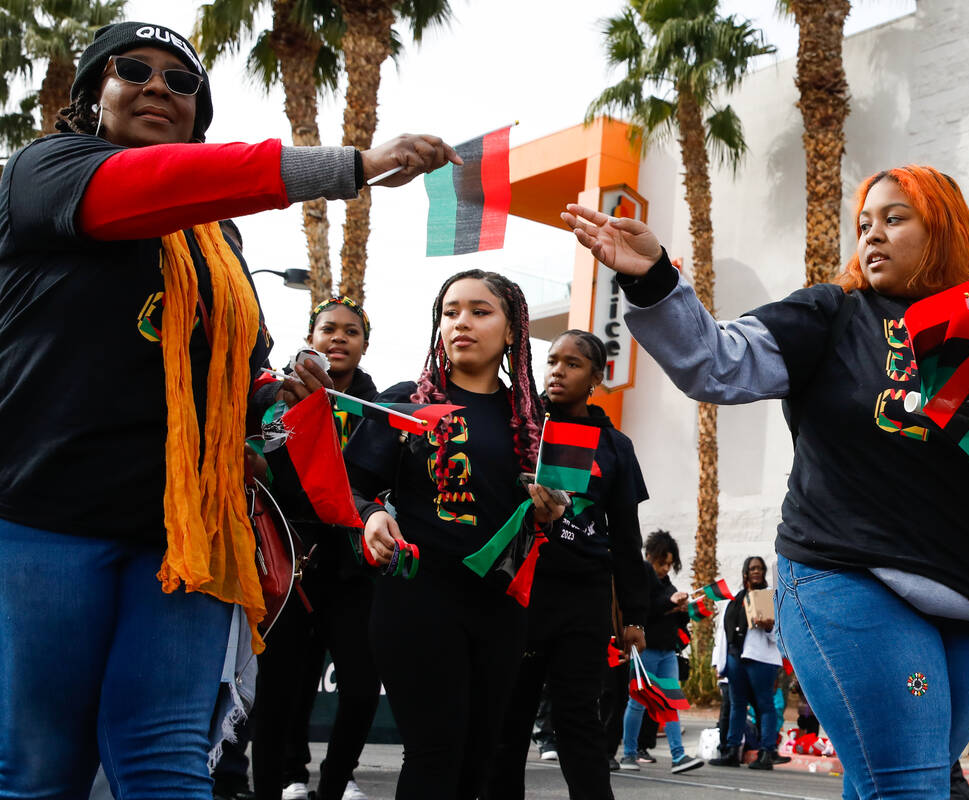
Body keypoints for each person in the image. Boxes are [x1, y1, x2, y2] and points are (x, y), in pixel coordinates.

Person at [0, 20, 458, 799]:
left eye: (181, 83)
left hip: (188, 535)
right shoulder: (46, 170)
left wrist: (280, 393)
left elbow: (236, 380)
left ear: (196, 115)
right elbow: (142, 190)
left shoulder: (218, 238)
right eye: (132, 70)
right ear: (90, 96)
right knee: (43, 766)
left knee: (169, 759)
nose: (156, 87)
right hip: (46, 518)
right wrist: (350, 165)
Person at [562, 165, 969, 799]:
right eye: (865, 224)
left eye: (895, 218)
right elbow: (718, 364)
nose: (873, 236)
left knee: (881, 784)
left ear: (943, 229)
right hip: (846, 577)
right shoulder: (832, 313)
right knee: (912, 788)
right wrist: (654, 279)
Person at [340, 270, 566, 799]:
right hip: (415, 602)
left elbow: (562, 512)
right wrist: (372, 515)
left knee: (481, 760)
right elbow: (349, 488)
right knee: (434, 755)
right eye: (450, 311)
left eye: (480, 311)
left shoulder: (536, 420)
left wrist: (551, 511)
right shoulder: (404, 402)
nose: (461, 322)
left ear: (512, 331)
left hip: (501, 608)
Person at [487, 329, 650, 799]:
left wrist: (634, 614)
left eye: (573, 364)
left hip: (583, 599)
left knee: (579, 717)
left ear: (596, 377)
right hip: (521, 590)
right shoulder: (519, 425)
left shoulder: (615, 447)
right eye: (552, 361)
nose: (558, 370)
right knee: (510, 718)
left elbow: (626, 535)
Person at [252, 297, 379, 800]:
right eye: (329, 328)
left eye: (352, 331)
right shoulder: (276, 397)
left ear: (365, 345)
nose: (340, 337)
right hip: (288, 559)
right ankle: (283, 780)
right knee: (280, 688)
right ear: (311, 337)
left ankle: (336, 781)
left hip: (353, 567)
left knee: (362, 687)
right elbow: (260, 458)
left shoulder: (380, 407)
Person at [619, 531, 705, 774]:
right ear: (649, 556)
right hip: (646, 652)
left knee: (669, 703)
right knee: (637, 703)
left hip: (666, 652)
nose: (666, 568)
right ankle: (628, 754)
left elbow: (668, 614)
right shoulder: (642, 577)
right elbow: (645, 609)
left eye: (669, 563)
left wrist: (683, 609)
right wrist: (671, 604)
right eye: (662, 563)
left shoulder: (667, 585)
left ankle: (678, 756)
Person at [709, 556, 783, 769]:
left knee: (765, 704)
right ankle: (732, 751)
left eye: (760, 568)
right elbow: (722, 635)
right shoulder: (734, 601)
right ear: (745, 573)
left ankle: (767, 752)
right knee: (737, 705)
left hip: (761, 659)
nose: (757, 571)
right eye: (752, 568)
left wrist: (768, 626)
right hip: (735, 658)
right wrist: (719, 664)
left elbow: (778, 633)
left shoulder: (770, 597)